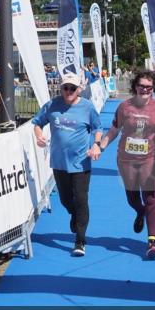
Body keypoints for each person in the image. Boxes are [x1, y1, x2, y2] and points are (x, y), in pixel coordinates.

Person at [98, 70, 155, 259]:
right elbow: (114, 130)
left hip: (150, 160)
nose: (145, 90)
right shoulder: (124, 107)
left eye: (149, 87)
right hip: (126, 159)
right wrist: (101, 146)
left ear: (153, 88)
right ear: (135, 87)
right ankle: (140, 212)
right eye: (142, 86)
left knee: (151, 199)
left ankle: (152, 243)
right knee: (132, 199)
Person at [31, 72, 102, 256]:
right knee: (65, 199)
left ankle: (80, 241)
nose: (69, 91)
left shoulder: (87, 107)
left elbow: (97, 127)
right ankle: (73, 214)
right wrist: (39, 136)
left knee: (81, 199)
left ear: (79, 90)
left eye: (72, 88)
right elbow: (37, 123)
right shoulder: (52, 105)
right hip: (59, 162)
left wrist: (96, 145)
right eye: (65, 87)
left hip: (81, 163)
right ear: (61, 88)